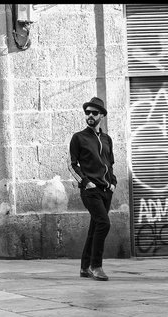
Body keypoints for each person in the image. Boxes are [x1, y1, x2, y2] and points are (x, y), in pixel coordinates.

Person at [69, 96, 117, 281]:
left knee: (95, 227)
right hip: (90, 190)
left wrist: (113, 183)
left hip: (106, 190)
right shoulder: (78, 138)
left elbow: (110, 164)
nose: (90, 115)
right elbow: (72, 165)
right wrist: (85, 182)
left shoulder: (107, 139)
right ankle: (95, 266)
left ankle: (84, 267)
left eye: (94, 113)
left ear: (101, 115)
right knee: (104, 223)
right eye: (87, 112)